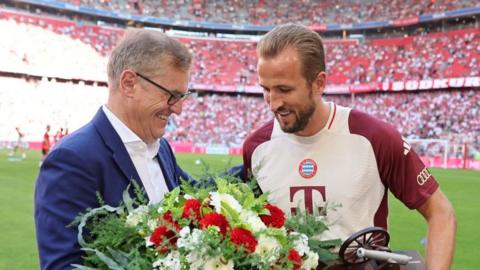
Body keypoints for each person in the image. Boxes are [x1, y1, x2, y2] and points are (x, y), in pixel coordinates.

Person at [242, 24, 456, 270]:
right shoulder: (256, 147)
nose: (273, 103)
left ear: (319, 83)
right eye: (265, 89)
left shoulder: (374, 137)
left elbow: (441, 213)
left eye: (284, 89)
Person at [35, 29, 193, 270]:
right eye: (171, 95)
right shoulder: (72, 159)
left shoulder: (161, 149)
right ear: (129, 83)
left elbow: (200, 191)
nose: (178, 109)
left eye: (183, 96)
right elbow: (64, 265)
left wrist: (260, 155)